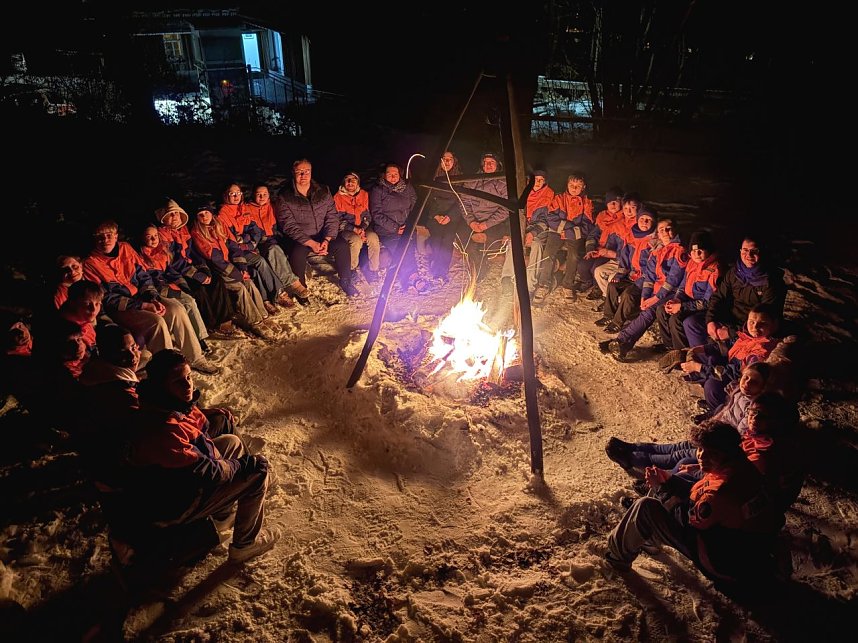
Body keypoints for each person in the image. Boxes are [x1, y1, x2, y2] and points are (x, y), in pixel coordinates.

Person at [128, 349, 281, 564]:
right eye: (178, 381)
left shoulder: (165, 403)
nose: (188, 385)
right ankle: (243, 546)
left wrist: (207, 413)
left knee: (232, 443)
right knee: (257, 470)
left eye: (189, 377)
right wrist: (243, 466)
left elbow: (198, 428)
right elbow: (210, 473)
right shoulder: (164, 428)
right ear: (162, 386)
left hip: (181, 481)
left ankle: (223, 515)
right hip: (175, 503)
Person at [605, 421, 784, 584]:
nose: (702, 457)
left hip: (722, 562)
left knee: (644, 507)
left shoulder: (720, 494)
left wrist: (662, 488)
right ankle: (648, 538)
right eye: (700, 449)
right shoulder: (742, 467)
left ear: (727, 454)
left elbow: (687, 521)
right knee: (677, 479)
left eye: (712, 454)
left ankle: (616, 557)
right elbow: (699, 493)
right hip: (744, 544)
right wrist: (669, 482)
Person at [82, 220, 220, 375]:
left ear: (115, 236)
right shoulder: (90, 263)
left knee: (176, 309)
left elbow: (143, 276)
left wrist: (153, 297)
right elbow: (106, 298)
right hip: (122, 308)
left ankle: (196, 358)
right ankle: (168, 370)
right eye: (100, 237)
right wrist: (143, 306)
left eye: (109, 235)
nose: (105, 240)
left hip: (143, 298)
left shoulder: (125, 249)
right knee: (157, 322)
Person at [600, 218, 686, 361]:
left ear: (675, 230)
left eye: (668, 228)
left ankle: (622, 342)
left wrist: (654, 298)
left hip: (673, 292)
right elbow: (650, 277)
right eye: (661, 229)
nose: (665, 232)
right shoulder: (657, 252)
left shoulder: (679, 251)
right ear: (657, 233)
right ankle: (621, 341)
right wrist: (644, 297)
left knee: (649, 311)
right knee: (646, 309)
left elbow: (673, 280)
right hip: (658, 292)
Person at [155, 198, 240, 338]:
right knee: (198, 289)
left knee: (216, 280)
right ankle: (209, 325)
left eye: (176, 213)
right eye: (170, 214)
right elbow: (174, 262)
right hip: (175, 274)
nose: (174, 217)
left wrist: (204, 268)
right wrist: (197, 275)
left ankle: (224, 320)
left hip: (190, 267)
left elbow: (194, 252)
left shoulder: (183, 230)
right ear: (163, 218)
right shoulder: (162, 235)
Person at [189, 204, 274, 340]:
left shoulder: (220, 225)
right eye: (201, 214)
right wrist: (237, 274)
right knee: (240, 289)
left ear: (212, 214)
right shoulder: (197, 233)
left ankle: (263, 316)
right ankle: (255, 321)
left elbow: (234, 246)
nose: (204, 216)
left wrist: (242, 268)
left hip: (230, 266)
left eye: (207, 213)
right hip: (218, 270)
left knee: (249, 283)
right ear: (197, 218)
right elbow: (215, 258)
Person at [274, 159, 355, 297]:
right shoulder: (285, 196)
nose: (303, 175)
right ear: (293, 173)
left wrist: (327, 239)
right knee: (297, 253)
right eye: (299, 172)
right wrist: (310, 243)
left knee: (342, 245)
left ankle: (346, 280)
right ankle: (301, 288)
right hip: (302, 239)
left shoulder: (323, 191)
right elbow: (288, 225)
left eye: (307, 172)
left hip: (323, 235)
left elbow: (332, 216)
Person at [682, 303, 781, 412]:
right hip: (731, 367)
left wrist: (698, 367)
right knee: (711, 357)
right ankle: (713, 402)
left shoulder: (760, 353)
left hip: (741, 382)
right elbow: (727, 346)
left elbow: (732, 373)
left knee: (712, 386)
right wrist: (701, 349)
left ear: (774, 325)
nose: (755, 327)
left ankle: (718, 414)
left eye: (762, 324)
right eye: (751, 322)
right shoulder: (748, 336)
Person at [217, 182, 294, 311]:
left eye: (238, 193)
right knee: (259, 261)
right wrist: (245, 244)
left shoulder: (243, 210)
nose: (236, 196)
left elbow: (256, 231)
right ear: (226, 196)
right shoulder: (222, 215)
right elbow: (230, 241)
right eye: (232, 194)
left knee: (255, 270)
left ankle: (265, 299)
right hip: (233, 253)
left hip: (247, 248)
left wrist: (246, 241)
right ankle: (279, 293)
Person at [139, 224, 211, 353]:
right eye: (149, 237)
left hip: (167, 285)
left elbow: (170, 271)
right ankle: (198, 340)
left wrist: (182, 284)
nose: (154, 240)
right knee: (187, 302)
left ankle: (199, 337)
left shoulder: (162, 251)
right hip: (157, 290)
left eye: (155, 236)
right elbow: (149, 279)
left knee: (189, 300)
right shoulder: (141, 255)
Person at [702, 234, 786, 345]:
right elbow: (718, 296)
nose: (748, 255)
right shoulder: (735, 272)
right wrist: (710, 320)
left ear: (761, 252)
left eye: (754, 251)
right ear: (740, 251)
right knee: (692, 323)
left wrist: (732, 332)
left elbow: (765, 321)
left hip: (752, 329)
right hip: (731, 320)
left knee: (726, 347)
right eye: (745, 250)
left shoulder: (771, 281)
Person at [656, 230, 721, 368]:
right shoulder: (692, 263)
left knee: (677, 319)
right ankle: (670, 348)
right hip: (687, 302)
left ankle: (683, 355)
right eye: (693, 251)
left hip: (704, 308)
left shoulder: (714, 270)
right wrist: (677, 299)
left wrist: (682, 307)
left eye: (700, 251)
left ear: (708, 251)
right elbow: (683, 285)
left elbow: (708, 302)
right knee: (662, 310)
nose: (696, 254)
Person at [528, 172, 594, 302]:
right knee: (548, 254)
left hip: (574, 234)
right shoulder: (559, 198)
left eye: (577, 186)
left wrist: (569, 232)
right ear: (567, 185)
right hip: (556, 232)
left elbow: (587, 225)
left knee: (573, 255)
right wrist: (565, 227)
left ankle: (567, 285)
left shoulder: (587, 203)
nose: (574, 189)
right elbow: (551, 217)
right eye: (571, 185)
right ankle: (543, 284)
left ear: (583, 187)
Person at [243, 182, 311, 305]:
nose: (262, 197)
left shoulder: (274, 207)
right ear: (253, 195)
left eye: (264, 194)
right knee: (273, 249)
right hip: (260, 242)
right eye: (259, 194)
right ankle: (293, 283)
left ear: (269, 196)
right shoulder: (247, 209)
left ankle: (301, 287)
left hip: (275, 237)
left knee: (296, 248)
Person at [595, 206, 656, 332]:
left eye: (648, 220)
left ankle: (618, 322)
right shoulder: (632, 236)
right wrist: (619, 275)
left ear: (653, 222)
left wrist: (639, 282)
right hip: (632, 275)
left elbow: (652, 269)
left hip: (645, 279)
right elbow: (625, 260)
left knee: (629, 293)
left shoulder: (654, 242)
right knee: (612, 286)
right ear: (637, 220)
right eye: (642, 218)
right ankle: (608, 316)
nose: (644, 222)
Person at [369, 162, 421, 291]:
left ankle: (410, 277)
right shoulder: (378, 190)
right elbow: (376, 214)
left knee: (408, 247)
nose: (393, 177)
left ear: (400, 175)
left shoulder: (407, 188)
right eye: (389, 174)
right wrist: (395, 228)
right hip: (387, 230)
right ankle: (413, 277)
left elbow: (415, 207)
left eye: (395, 174)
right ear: (384, 175)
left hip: (407, 226)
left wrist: (409, 225)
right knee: (401, 249)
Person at [422, 152, 467, 283]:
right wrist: (435, 215)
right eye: (444, 159)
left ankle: (442, 270)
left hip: (452, 216)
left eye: (450, 159)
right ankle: (435, 268)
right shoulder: (432, 177)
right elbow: (427, 199)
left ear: (454, 162)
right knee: (436, 239)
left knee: (448, 239)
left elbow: (461, 200)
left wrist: (450, 216)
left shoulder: (460, 179)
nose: (447, 162)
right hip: (435, 216)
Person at [577, 186, 625, 300]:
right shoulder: (603, 216)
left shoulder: (623, 219)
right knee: (582, 265)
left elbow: (622, 243)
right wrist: (590, 248)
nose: (613, 205)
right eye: (610, 202)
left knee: (595, 267)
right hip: (598, 249)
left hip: (610, 252)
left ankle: (598, 287)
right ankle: (588, 281)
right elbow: (593, 234)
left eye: (616, 202)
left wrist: (610, 252)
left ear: (621, 203)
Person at [333, 171, 381, 283]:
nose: (350, 182)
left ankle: (373, 269)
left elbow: (368, 216)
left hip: (362, 227)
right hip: (346, 229)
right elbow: (338, 220)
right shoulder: (337, 197)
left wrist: (363, 228)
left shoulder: (364, 194)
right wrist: (355, 230)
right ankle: (351, 268)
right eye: (347, 180)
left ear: (358, 183)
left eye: (353, 180)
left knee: (373, 238)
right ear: (343, 182)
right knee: (356, 241)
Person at [460, 153, 510, 253]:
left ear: (498, 165)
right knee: (462, 240)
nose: (488, 165)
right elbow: (463, 202)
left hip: (493, 223)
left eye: (492, 162)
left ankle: (487, 265)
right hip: (473, 221)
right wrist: (471, 222)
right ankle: (470, 266)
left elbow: (506, 208)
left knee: (490, 245)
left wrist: (486, 224)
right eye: (486, 162)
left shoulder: (503, 183)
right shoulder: (473, 180)